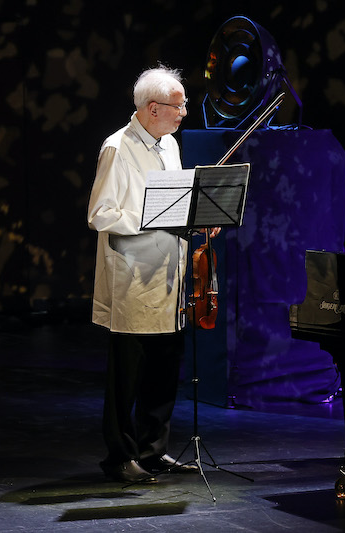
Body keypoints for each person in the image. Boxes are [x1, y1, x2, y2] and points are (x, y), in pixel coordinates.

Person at [87, 66, 215, 483]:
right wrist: (154, 217)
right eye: (178, 106)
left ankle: (153, 450)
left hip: (169, 274)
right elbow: (100, 214)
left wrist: (195, 218)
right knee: (127, 376)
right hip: (133, 276)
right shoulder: (117, 148)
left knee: (164, 366)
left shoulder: (170, 145)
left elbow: (176, 202)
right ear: (153, 108)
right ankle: (119, 456)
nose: (184, 113)